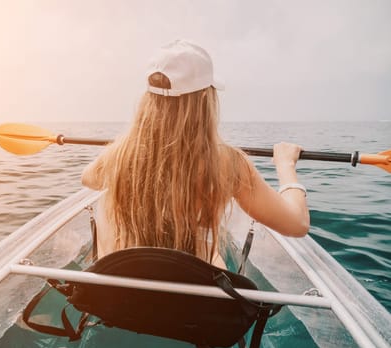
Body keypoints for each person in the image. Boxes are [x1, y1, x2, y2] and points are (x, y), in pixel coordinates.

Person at [81, 39, 309, 268]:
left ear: (149, 99)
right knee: (214, 259)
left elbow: (88, 178)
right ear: (204, 98)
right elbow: (297, 224)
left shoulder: (119, 155)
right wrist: (285, 165)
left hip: (124, 293)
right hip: (190, 296)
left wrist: (125, 147)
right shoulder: (228, 163)